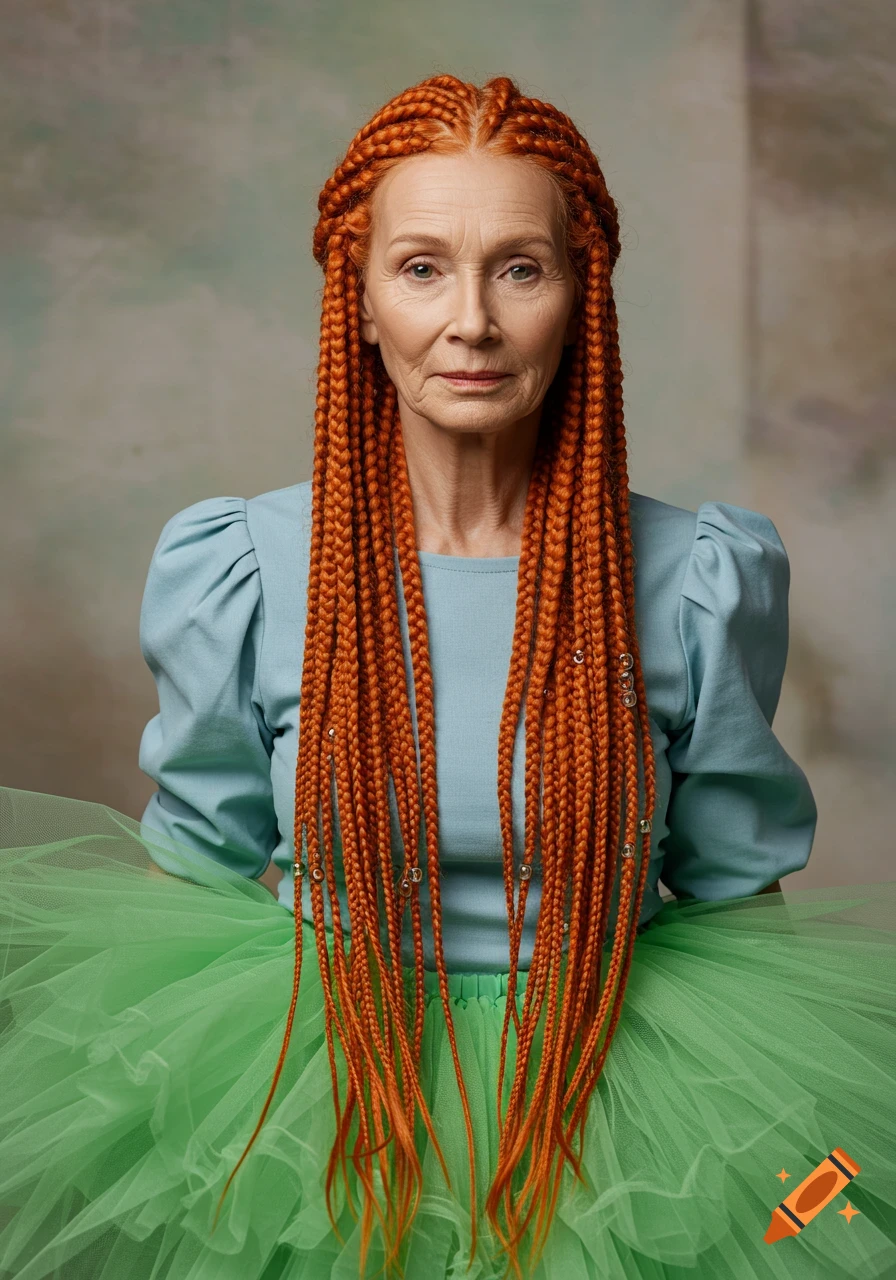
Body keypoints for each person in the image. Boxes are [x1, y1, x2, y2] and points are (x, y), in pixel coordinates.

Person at [1, 73, 894, 1280]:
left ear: (580, 296)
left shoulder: (696, 578)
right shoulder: (243, 567)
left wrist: (800, 1167)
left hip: (620, 1117)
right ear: (359, 300)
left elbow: (735, 889)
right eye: (421, 267)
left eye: (518, 268)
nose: (470, 320)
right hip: (318, 1099)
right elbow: (198, 861)